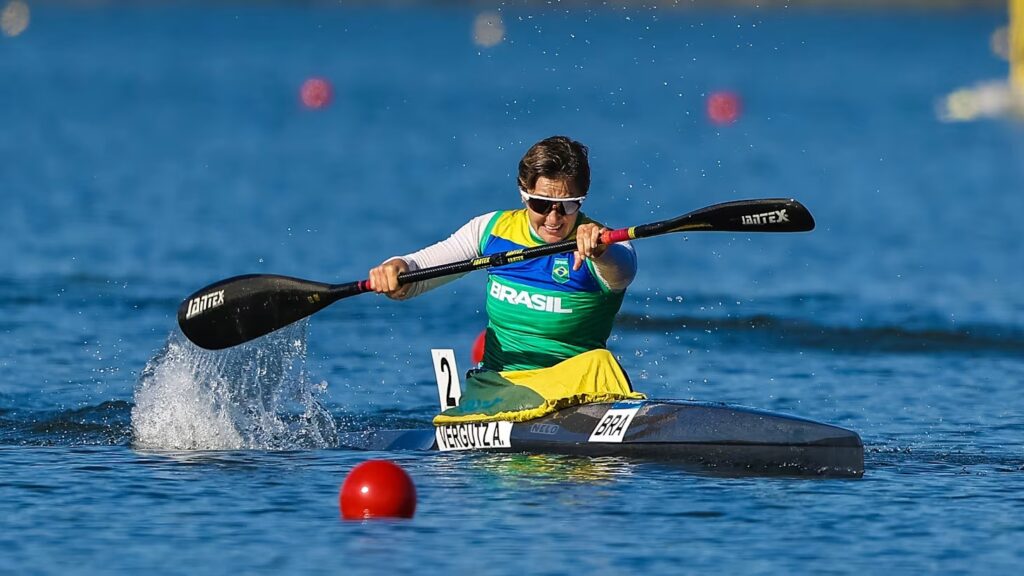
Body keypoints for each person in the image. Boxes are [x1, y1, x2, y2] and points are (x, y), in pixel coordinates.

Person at [368, 135, 637, 374]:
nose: (553, 218)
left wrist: (602, 252)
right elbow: (417, 272)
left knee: (602, 362)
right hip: (504, 385)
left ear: (582, 199)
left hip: (580, 386)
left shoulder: (604, 242)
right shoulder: (491, 230)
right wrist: (395, 269)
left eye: (567, 206)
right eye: (541, 204)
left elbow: (623, 272)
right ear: (523, 193)